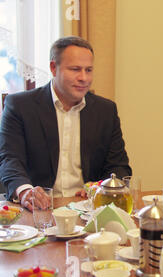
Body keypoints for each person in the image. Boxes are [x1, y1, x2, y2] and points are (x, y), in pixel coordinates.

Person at [0, 36, 131, 212]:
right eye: (75, 69)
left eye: (89, 70)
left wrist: (101, 187)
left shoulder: (106, 110)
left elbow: (119, 167)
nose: (84, 78)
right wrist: (25, 192)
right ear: (54, 68)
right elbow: (9, 160)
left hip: (88, 211)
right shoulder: (20, 106)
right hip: (37, 210)